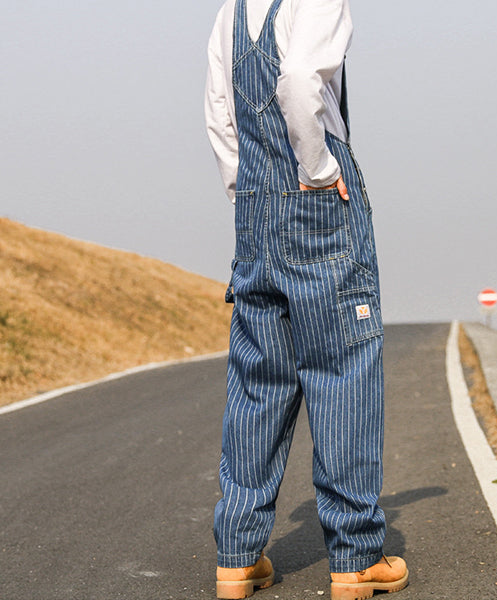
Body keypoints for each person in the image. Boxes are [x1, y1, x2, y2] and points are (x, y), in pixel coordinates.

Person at [205, 1, 408, 598]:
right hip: (315, 198)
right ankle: (355, 557)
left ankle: (238, 556)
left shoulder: (230, 12)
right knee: (342, 370)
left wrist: (248, 193)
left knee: (258, 383)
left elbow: (220, 115)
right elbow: (298, 79)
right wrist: (317, 170)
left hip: (255, 207)